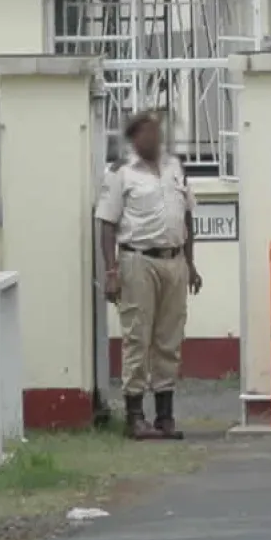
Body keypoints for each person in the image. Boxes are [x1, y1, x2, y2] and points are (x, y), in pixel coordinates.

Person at [95, 111, 204, 439]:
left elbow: (187, 216)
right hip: (138, 261)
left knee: (169, 339)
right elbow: (106, 224)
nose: (155, 138)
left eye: (157, 131)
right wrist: (111, 271)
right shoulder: (121, 173)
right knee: (137, 338)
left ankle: (165, 416)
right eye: (148, 132)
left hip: (174, 261)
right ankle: (135, 416)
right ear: (134, 138)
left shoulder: (175, 168)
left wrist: (191, 264)